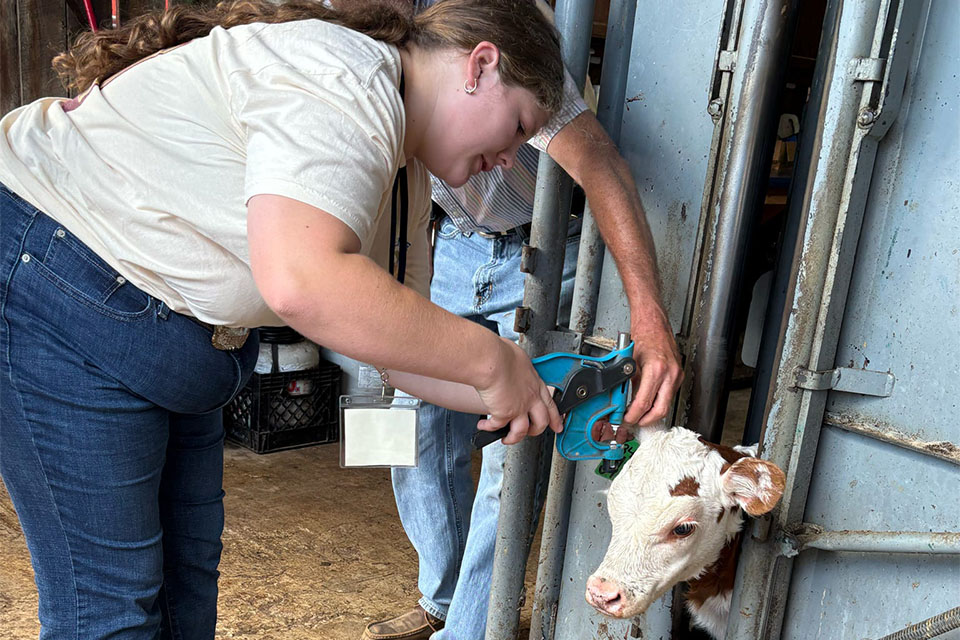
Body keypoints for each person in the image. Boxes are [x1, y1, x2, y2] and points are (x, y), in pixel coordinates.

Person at [0, 1, 573, 637]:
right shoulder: (346, 80)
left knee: (187, 577)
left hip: (168, 329)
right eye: (519, 125)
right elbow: (302, 281)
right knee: (111, 606)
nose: (509, 158)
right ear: (481, 66)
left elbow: (395, 354)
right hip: (59, 286)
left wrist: (527, 393)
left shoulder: (405, 172)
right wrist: (493, 362)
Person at [361, 3, 685, 640]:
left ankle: (472, 625)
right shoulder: (387, 48)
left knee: (516, 439)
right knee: (403, 428)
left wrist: (650, 319)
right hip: (447, 243)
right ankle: (444, 596)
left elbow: (604, 169)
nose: (509, 148)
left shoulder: (515, 49)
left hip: (538, 252)